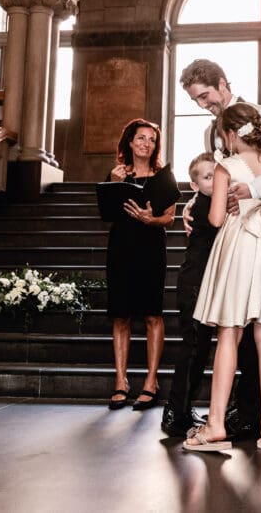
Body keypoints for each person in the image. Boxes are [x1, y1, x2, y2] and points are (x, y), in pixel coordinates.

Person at [176, 58, 261, 441]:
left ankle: (247, 415)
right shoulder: (210, 132)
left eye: (205, 96)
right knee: (235, 328)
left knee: (243, 330)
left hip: (259, 231)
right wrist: (193, 203)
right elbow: (209, 175)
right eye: (196, 100)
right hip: (224, 238)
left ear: (221, 83)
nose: (204, 105)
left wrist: (255, 189)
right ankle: (241, 418)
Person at [104, 119, 176, 411]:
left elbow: (170, 218)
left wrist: (150, 219)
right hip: (121, 246)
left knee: (151, 315)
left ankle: (150, 382)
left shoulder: (163, 177)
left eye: (152, 139)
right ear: (130, 143)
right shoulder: (116, 174)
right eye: (141, 138)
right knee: (120, 315)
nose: (147, 143)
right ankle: (121, 381)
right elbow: (106, 212)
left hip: (150, 247)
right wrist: (113, 183)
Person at [160, 152, 219, 437]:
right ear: (194, 185)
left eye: (217, 175)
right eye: (207, 177)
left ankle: (182, 409)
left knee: (200, 350)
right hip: (194, 285)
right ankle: (174, 413)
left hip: (204, 284)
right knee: (193, 350)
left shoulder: (207, 201)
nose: (214, 181)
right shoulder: (205, 205)